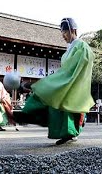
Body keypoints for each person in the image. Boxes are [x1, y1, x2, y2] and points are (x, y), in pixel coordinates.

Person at [13, 17, 95, 145]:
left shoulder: (82, 46)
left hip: (74, 81)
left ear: (73, 30)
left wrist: (64, 80)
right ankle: (31, 116)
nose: (63, 35)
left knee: (63, 103)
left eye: (65, 31)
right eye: (62, 32)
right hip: (66, 79)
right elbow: (65, 69)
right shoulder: (68, 50)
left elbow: (77, 68)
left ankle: (70, 133)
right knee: (51, 99)